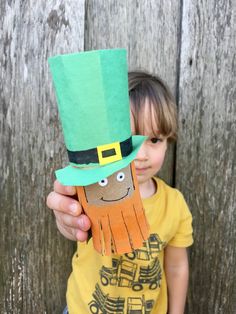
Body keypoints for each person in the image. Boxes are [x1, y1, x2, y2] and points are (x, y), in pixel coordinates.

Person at [47, 71, 193, 314]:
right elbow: (70, 223)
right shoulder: (93, 190)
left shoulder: (174, 205)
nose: (142, 155)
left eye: (154, 140)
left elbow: (177, 267)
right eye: (129, 141)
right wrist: (68, 221)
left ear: (169, 140)